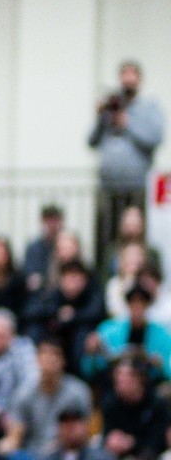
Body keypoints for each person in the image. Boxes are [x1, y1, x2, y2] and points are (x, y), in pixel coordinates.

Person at [89, 61, 165, 261]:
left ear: (139, 80)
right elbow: (92, 141)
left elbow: (155, 138)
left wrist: (127, 123)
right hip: (108, 189)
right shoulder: (110, 108)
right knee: (107, 237)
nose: (128, 79)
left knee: (136, 236)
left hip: (136, 189)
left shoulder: (149, 107)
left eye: (133, 75)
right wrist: (101, 118)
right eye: (125, 75)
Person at [0, 337, 92, 458]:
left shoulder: (78, 392)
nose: (49, 359)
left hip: (67, 451)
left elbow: (86, 433)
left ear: (63, 360)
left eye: (55, 354)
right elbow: (16, 434)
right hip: (32, 454)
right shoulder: (24, 393)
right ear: (36, 359)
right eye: (44, 353)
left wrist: (59, 446)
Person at [83, 284, 171, 382]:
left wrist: (160, 366)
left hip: (149, 386)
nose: (137, 306)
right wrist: (91, 354)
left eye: (142, 302)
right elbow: (90, 370)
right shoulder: (108, 331)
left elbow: (167, 371)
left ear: (148, 305)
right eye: (133, 302)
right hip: (114, 385)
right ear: (127, 304)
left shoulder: (163, 336)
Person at [99, 356, 169, 460]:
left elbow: (160, 439)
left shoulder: (157, 403)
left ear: (139, 379)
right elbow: (108, 432)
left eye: (126, 377)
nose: (120, 381)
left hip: (150, 452)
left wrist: (133, 442)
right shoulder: (110, 402)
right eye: (118, 377)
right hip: (118, 451)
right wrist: (112, 438)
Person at [41, 405, 113, 460]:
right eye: (65, 422)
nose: (69, 427)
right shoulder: (48, 458)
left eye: (75, 421)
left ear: (86, 426)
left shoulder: (101, 458)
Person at [24, 205, 67, 293]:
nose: (52, 224)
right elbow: (31, 277)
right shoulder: (34, 248)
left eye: (55, 220)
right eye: (49, 220)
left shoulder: (68, 245)